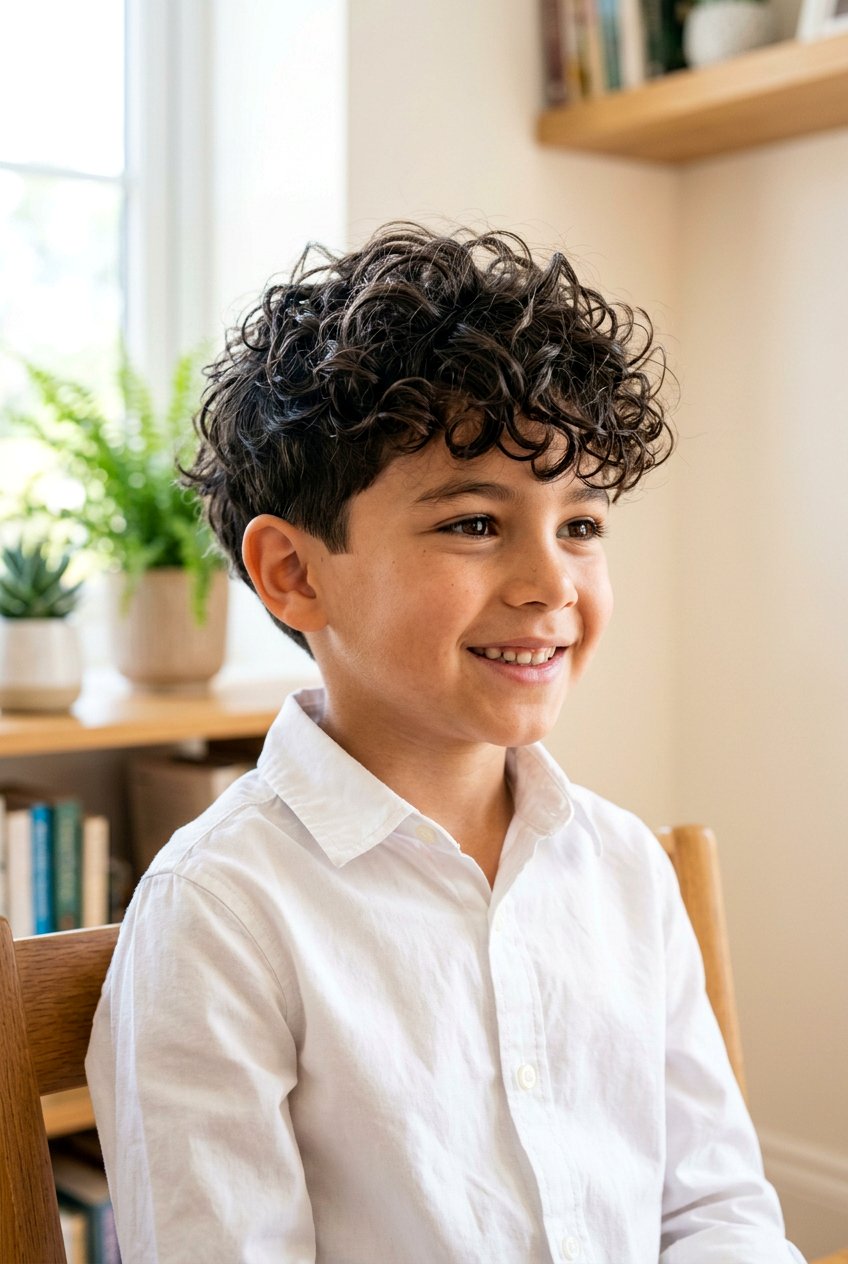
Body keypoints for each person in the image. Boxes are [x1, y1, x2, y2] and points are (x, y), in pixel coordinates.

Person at [86, 223, 806, 1263]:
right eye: (474, 523)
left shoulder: (621, 873)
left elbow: (714, 1215)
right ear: (293, 572)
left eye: (580, 525)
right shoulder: (219, 914)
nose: (550, 583)